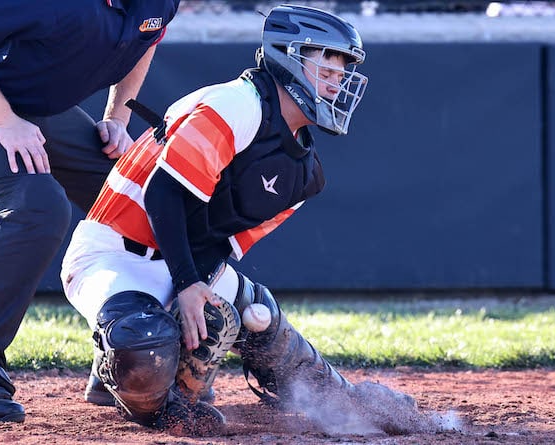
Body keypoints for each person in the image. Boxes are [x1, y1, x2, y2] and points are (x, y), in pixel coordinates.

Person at [61, 4, 440, 437]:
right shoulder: (235, 103)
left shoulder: (305, 175)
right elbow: (162, 194)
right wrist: (186, 286)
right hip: (112, 251)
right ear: (285, 55)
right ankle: (146, 389)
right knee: (142, 346)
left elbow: (219, 246)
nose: (337, 76)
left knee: (260, 318)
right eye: (325, 60)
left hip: (180, 259)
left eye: (344, 66)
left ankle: (343, 397)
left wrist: (204, 297)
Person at [0, 0, 180, 423]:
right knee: (38, 207)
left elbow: (146, 39)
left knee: (145, 202)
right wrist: (4, 121)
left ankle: (129, 358)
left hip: (39, 107)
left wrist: (116, 116)